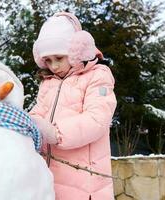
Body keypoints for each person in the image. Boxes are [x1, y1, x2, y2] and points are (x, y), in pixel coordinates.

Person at [30, 11, 117, 200]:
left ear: (77, 51)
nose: (53, 66)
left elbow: (97, 119)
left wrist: (56, 133)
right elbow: (37, 115)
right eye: (48, 60)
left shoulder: (98, 76)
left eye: (59, 58)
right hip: (49, 181)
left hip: (85, 184)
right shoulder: (48, 83)